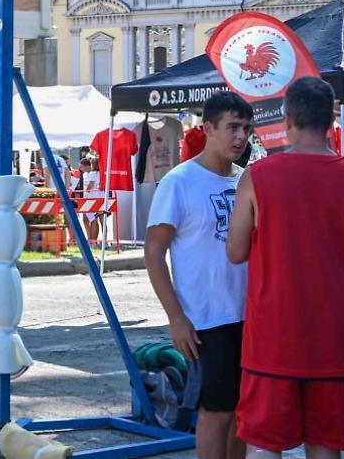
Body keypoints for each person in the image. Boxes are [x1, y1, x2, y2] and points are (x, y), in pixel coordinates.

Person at [226, 77, 344, 459]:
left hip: (274, 338)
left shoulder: (257, 177)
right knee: (326, 447)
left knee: (264, 447)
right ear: (331, 121)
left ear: (287, 120)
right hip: (338, 340)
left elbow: (235, 251)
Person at [144, 91, 253, 459]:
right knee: (215, 412)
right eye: (233, 127)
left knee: (244, 412)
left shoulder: (246, 180)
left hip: (249, 316)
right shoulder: (180, 181)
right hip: (205, 320)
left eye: (246, 129)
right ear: (208, 128)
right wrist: (176, 317)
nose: (241, 137)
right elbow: (154, 252)